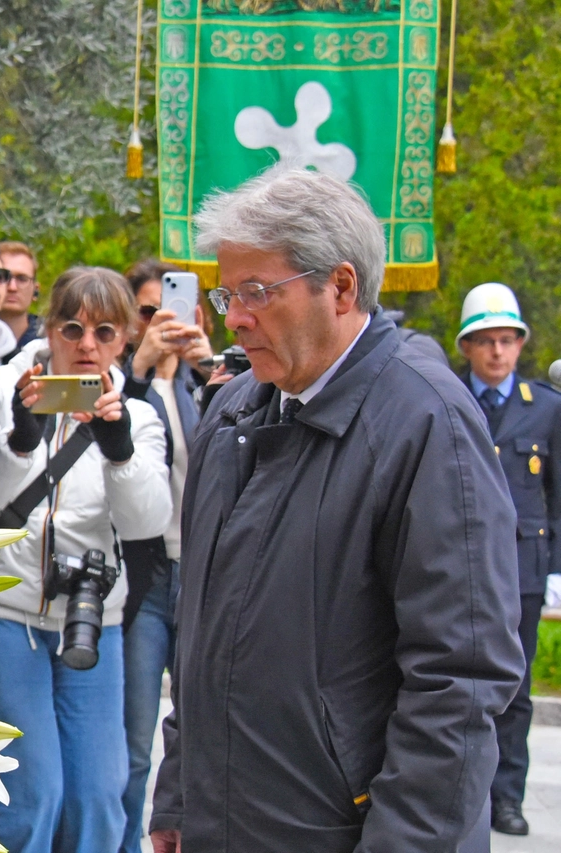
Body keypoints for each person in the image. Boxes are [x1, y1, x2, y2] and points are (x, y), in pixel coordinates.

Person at [148, 168, 525, 853]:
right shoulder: (233, 412)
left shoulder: (426, 422)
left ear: (342, 287)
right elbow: (201, 629)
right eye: (227, 292)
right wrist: (179, 793)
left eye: (257, 292)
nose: (232, 316)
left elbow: (459, 679)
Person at [0, 266, 173, 853]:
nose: (86, 346)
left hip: (91, 619)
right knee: (30, 797)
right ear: (49, 327)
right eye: (73, 328)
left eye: (105, 333)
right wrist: (20, 444)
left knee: (99, 799)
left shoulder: (140, 413)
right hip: (5, 610)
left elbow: (147, 523)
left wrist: (119, 450)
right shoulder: (4, 389)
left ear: (126, 339)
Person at [455, 282, 561, 837]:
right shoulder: (445, 397)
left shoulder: (546, 408)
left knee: (514, 693)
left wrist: (558, 569)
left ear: (521, 344)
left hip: (522, 569)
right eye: (486, 341)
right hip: (457, 568)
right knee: (454, 687)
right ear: (467, 346)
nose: (497, 352)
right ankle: (460, 794)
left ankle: (507, 799)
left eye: (507, 340)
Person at [117, 258, 213, 852]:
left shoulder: (218, 383)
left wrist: (204, 366)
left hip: (206, 577)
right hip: (145, 580)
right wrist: (139, 366)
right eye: (150, 311)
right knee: (132, 741)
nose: (163, 320)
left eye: (174, 308)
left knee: (204, 734)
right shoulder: (127, 384)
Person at [0, 240, 41, 362]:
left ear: (35, 290)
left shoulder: (50, 342)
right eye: (4, 277)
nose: (12, 287)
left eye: (22, 279)